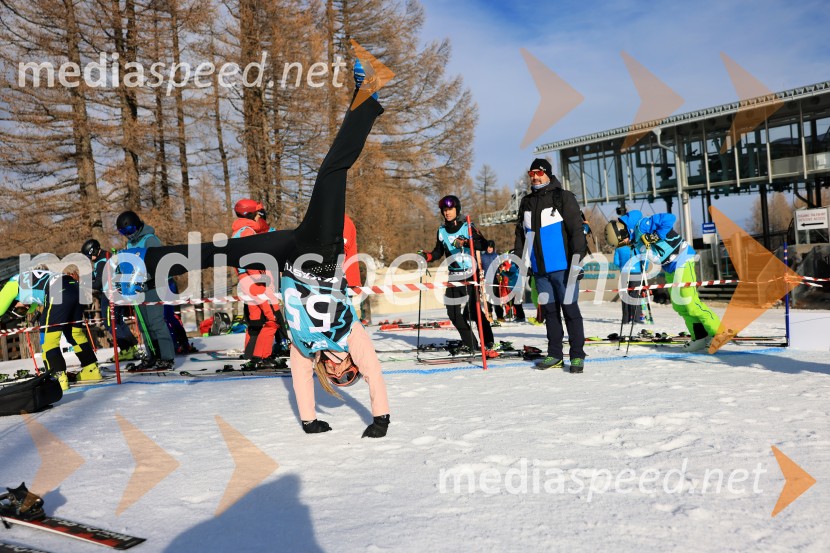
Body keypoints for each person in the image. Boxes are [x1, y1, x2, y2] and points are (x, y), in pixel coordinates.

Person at [118, 60, 390, 437]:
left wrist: (309, 421)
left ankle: (145, 262)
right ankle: (368, 97)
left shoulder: (304, 347)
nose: (340, 369)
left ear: (328, 376)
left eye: (338, 377)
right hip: (322, 255)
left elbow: (299, 380)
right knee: (331, 173)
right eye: (349, 372)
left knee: (228, 250)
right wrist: (381, 418)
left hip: (289, 260)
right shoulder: (351, 336)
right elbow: (375, 372)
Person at [605, 210, 721, 351]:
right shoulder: (634, 240)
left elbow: (669, 218)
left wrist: (655, 235)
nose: (624, 244)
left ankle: (718, 332)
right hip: (670, 267)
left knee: (689, 302)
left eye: (621, 241)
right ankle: (700, 336)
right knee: (679, 305)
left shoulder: (642, 225)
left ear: (623, 233)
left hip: (682, 258)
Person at [514, 158, 587, 373]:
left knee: (570, 311)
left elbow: (576, 231)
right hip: (541, 271)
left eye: (539, 173)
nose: (535, 177)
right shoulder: (526, 202)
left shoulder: (563, 197)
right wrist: (521, 262)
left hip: (563, 268)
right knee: (550, 313)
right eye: (531, 173)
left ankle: (577, 356)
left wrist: (576, 261)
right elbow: (521, 235)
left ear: (548, 174)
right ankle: (555, 355)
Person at [417, 195, 498, 356]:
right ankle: (471, 344)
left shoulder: (467, 226)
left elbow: (483, 243)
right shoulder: (441, 231)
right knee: (453, 313)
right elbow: (439, 252)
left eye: (450, 209)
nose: (447, 213)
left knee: (474, 312)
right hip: (454, 276)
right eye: (445, 210)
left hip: (470, 274)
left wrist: (466, 242)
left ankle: (488, 341)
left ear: (457, 210)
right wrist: (428, 256)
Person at [0, 270, 100, 389]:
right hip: (74, 288)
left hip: (57, 290)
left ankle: (57, 377)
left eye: (19, 310)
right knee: (74, 333)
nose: (25, 310)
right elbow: (32, 309)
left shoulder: (11, 285)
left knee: (48, 339)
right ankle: (91, 370)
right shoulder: (26, 286)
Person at [115, 210, 175, 371]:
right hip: (138, 289)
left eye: (130, 230)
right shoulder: (129, 244)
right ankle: (152, 355)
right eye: (124, 232)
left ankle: (167, 357)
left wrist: (144, 277)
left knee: (156, 322)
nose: (128, 234)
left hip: (154, 286)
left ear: (138, 225)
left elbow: (160, 264)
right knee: (143, 325)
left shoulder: (150, 240)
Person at [231, 198, 282, 370]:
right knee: (273, 319)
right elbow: (251, 261)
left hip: (245, 281)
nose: (259, 217)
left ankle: (252, 354)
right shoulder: (247, 233)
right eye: (258, 214)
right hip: (255, 282)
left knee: (256, 321)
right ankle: (263, 356)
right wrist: (262, 281)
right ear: (251, 214)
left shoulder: (238, 231)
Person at [81, 239, 140, 360]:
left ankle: (126, 349)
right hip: (117, 293)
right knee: (118, 322)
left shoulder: (102, 261)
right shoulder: (106, 256)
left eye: (89, 255)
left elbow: (98, 284)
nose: (89, 258)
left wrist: (82, 284)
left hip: (110, 295)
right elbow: (97, 274)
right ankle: (132, 348)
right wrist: (84, 277)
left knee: (110, 324)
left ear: (95, 251)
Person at [479, 240, 504, 322]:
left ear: (493, 248)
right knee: (488, 298)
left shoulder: (496, 256)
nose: (489, 249)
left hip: (495, 280)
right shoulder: (482, 257)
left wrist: (500, 273)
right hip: (486, 280)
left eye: (491, 247)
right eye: (488, 247)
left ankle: (500, 316)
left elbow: (500, 267)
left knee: (496, 298)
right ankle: (489, 315)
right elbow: (479, 267)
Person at [498, 256, 526, 322]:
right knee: (514, 302)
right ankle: (519, 316)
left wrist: (502, 272)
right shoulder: (514, 264)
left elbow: (511, 275)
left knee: (517, 303)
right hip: (513, 287)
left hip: (516, 287)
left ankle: (521, 317)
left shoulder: (514, 265)